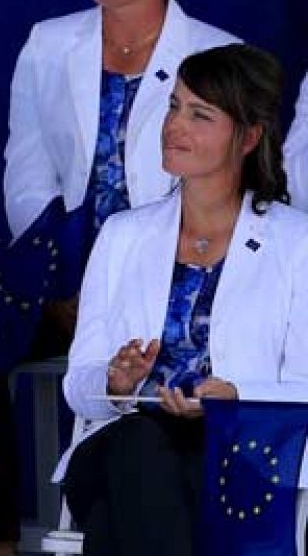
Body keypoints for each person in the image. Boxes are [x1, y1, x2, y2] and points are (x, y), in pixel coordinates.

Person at [0, 0, 240, 552]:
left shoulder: (216, 54)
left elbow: (221, 191)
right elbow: (26, 167)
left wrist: (117, 282)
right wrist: (61, 275)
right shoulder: (49, 42)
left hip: (163, 271)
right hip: (60, 267)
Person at [56, 44, 308, 555]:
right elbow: (78, 387)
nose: (174, 125)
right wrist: (115, 382)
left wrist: (234, 395)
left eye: (200, 114)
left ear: (248, 137)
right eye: (174, 106)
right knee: (141, 447)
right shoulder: (123, 234)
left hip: (239, 455)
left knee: (123, 513)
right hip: (122, 443)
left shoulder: (296, 243)